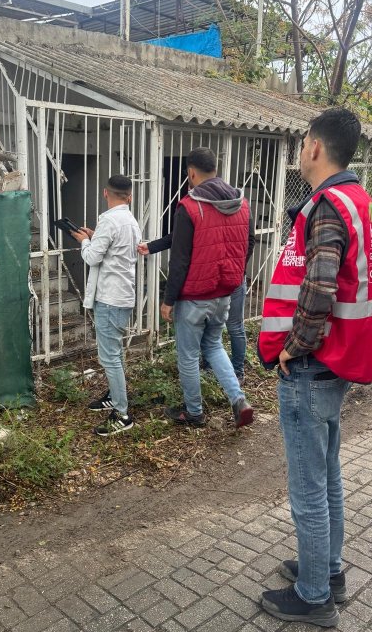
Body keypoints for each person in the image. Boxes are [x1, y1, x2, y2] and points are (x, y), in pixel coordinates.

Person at [258, 108, 372, 627]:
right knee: (328, 474)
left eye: (302, 141)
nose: (300, 148)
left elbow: (322, 283)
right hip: (337, 363)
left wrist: (293, 346)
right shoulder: (362, 204)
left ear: (315, 147)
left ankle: (315, 597)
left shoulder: (329, 206)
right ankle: (327, 569)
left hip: (310, 366)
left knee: (308, 486)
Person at [157, 147, 254, 429]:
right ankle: (238, 399)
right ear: (216, 169)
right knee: (212, 345)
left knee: (188, 354)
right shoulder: (241, 202)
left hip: (194, 298)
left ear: (191, 172)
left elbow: (180, 259)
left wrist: (168, 299)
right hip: (224, 292)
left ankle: (194, 412)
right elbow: (249, 245)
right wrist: (234, 271)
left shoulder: (190, 206)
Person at [139, 204, 255, 382]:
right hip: (222, 278)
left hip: (231, 279)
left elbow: (251, 240)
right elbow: (180, 238)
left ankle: (237, 372)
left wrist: (238, 267)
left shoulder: (238, 207)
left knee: (233, 327)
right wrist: (153, 246)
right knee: (213, 332)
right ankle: (212, 369)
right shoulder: (214, 208)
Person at [72, 175, 141, 436]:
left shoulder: (109, 220)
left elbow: (91, 257)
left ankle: (122, 413)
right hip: (123, 296)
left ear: (105, 193)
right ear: (130, 196)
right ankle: (114, 397)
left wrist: (84, 240)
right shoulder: (130, 221)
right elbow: (115, 250)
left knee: (109, 358)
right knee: (115, 354)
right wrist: (94, 236)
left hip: (110, 298)